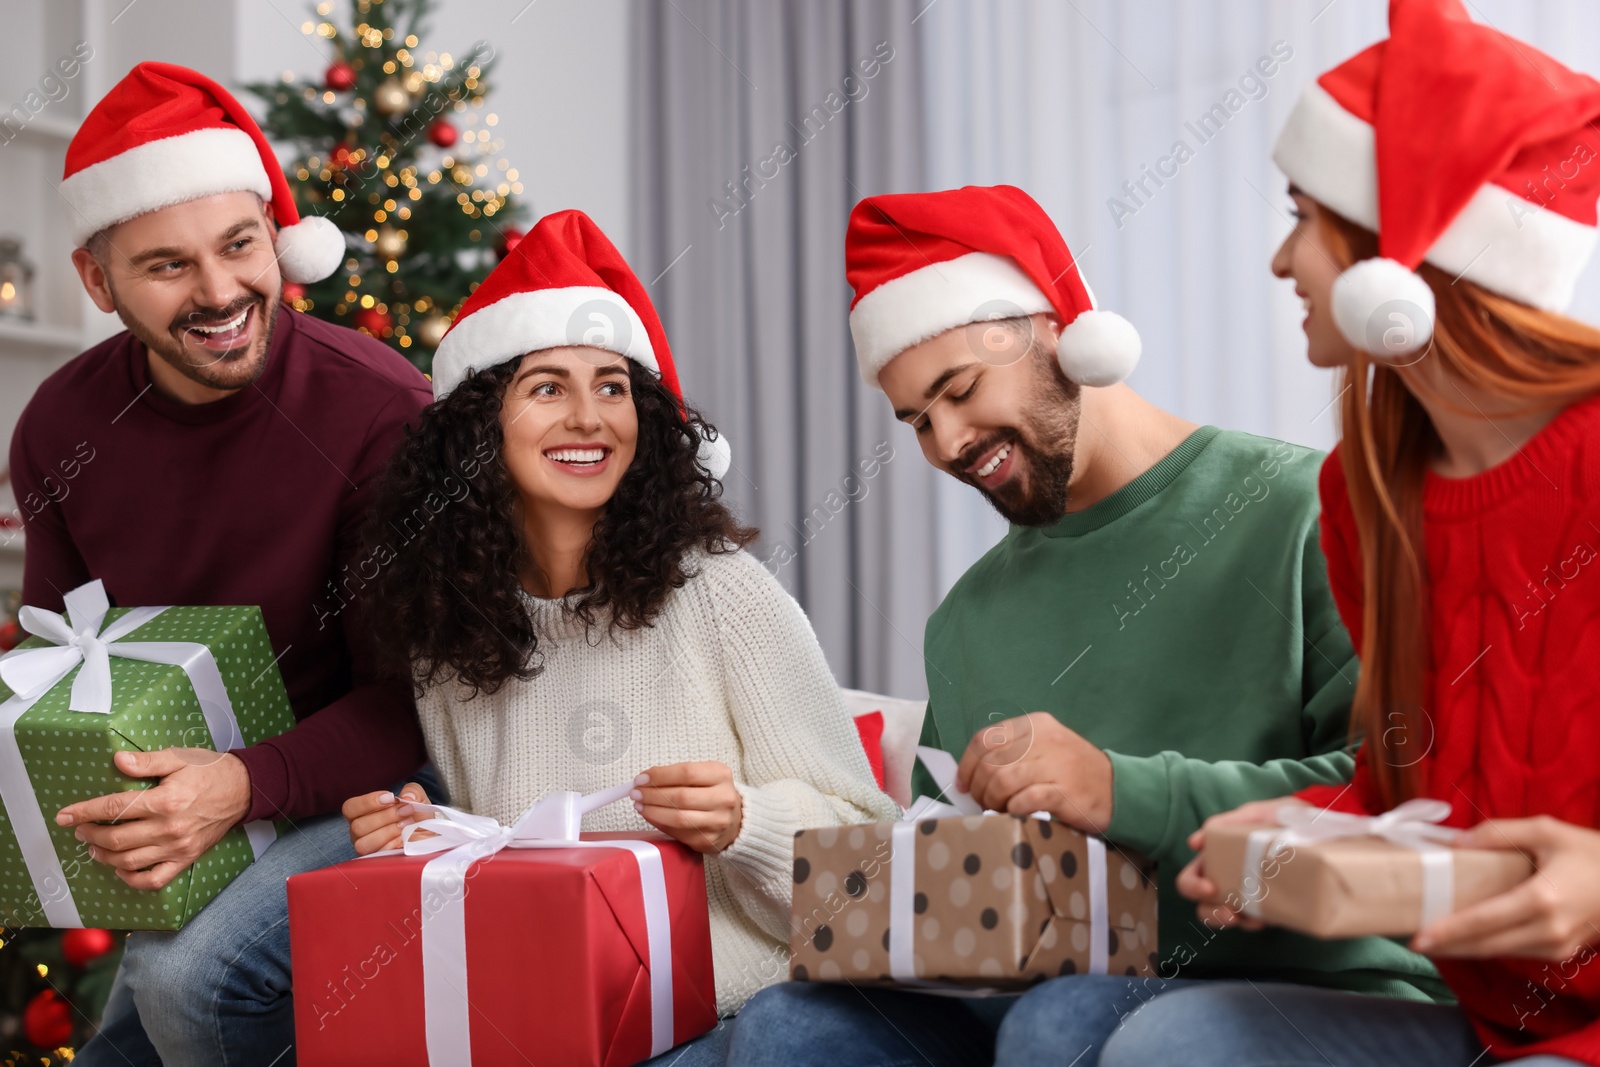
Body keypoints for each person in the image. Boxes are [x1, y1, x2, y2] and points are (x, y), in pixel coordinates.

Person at [726, 183, 1445, 1067]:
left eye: (959, 390)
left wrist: (1115, 787)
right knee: (788, 1025)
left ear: (1062, 330)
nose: (947, 441)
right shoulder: (965, 620)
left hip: (1309, 981)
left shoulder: (1308, 508)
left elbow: (1402, 794)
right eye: (916, 419)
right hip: (1053, 981)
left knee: (1063, 1024)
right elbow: (946, 864)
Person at [1106, 3, 1600, 1065]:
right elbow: (1407, 791)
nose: (1284, 261)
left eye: (1303, 216)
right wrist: (1277, 836)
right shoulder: (1368, 489)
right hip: (1494, 1024)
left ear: (1398, 247)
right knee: (1164, 1045)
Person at [338, 207, 898, 1065]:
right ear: (479, 430)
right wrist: (425, 826)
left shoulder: (723, 597)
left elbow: (875, 874)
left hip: (735, 1014)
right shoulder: (447, 636)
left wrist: (742, 822)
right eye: (547, 387)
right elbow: (501, 858)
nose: (590, 417)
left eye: (612, 386)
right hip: (551, 1015)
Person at [6, 64, 433, 1067]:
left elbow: (416, 696)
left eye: (240, 245)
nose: (219, 293)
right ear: (97, 281)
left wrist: (240, 784)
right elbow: (66, 658)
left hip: (385, 775)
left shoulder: (379, 410)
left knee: (189, 982)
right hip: (214, 790)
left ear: (276, 239)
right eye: (165, 265)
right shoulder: (60, 424)